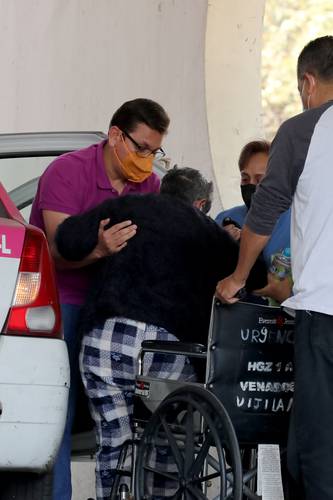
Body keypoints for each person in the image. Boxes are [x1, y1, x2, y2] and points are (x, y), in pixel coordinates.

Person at [55, 167, 267, 500]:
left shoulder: (128, 208)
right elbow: (255, 276)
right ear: (200, 203)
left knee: (114, 441)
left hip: (104, 341)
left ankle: (115, 491)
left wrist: (100, 243)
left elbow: (66, 238)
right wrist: (235, 241)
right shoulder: (206, 230)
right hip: (166, 351)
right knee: (169, 439)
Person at [29, 98, 170, 500]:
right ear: (114, 136)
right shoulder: (66, 172)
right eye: (140, 148)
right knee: (58, 412)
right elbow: (55, 250)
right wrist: (99, 251)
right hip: (65, 302)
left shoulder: (150, 186)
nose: (146, 160)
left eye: (154, 151)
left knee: (125, 417)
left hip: (117, 313)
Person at [216, 36, 333, 500]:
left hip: (324, 313)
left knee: (318, 447)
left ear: (307, 82)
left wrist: (238, 277)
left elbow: (264, 212)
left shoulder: (306, 128)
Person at [215, 139, 291, 269]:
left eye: (259, 179)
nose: (251, 185)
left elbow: (283, 285)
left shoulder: (296, 223)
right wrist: (218, 245)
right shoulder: (226, 218)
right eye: (245, 179)